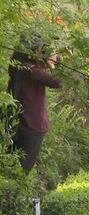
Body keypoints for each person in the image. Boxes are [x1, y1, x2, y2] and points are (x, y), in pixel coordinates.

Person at [7, 38, 62, 172]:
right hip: (32, 126)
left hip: (18, 124)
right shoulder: (32, 70)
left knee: (11, 166)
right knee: (23, 170)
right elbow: (59, 82)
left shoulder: (18, 66)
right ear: (33, 51)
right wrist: (51, 64)